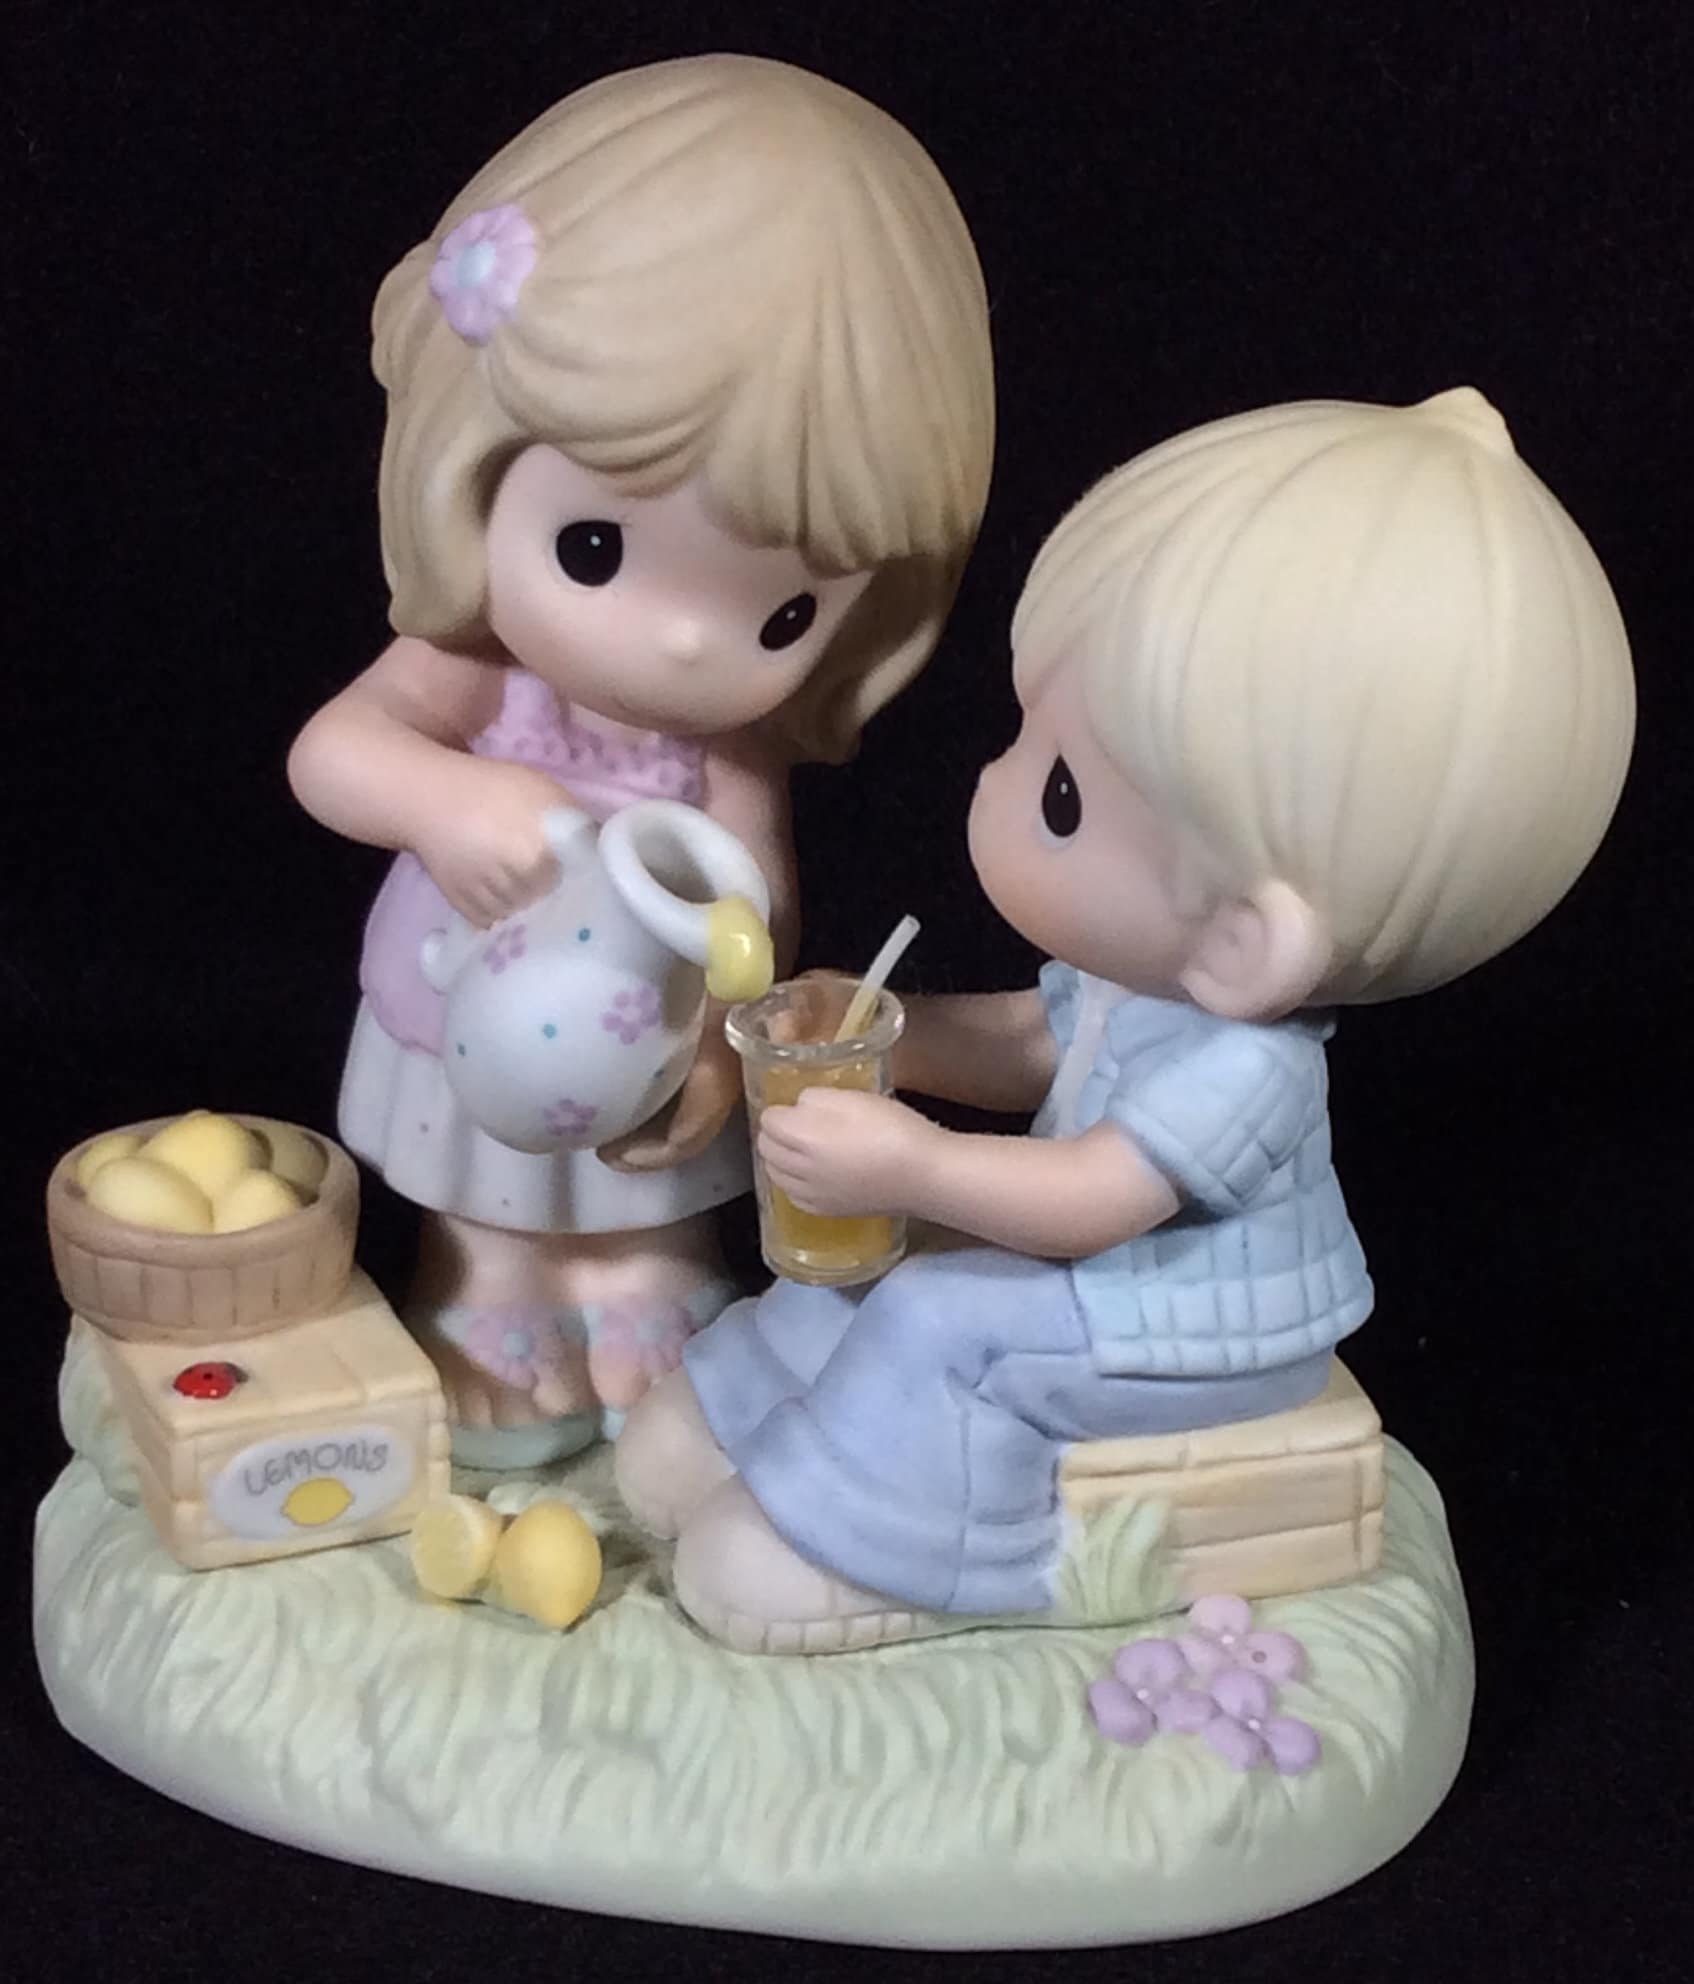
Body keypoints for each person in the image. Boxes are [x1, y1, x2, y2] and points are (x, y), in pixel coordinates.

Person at [615, 388, 1635, 1652]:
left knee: (941, 1318)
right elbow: (1032, 1045)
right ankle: (751, 1428)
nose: (991, 785)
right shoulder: (1139, 982)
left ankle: (885, 1546)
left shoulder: (1248, 1068)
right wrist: (892, 1029)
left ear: (1241, 944)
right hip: (1103, 1291)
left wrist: (910, 1158)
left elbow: (1092, 1197)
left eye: (1058, 793)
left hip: (1193, 1327)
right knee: (881, 1249)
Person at [287, 56, 994, 1467]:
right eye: (594, 547)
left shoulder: (726, 749)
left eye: (781, 614)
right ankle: (488, 1289)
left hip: (647, 1034)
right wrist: (446, 797)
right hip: (459, 1003)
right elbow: (332, 753)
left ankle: (641, 1287)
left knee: (641, 1202)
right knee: (490, 1194)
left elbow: (757, 898)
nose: (678, 645)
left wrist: (731, 1036)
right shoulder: (474, 671)